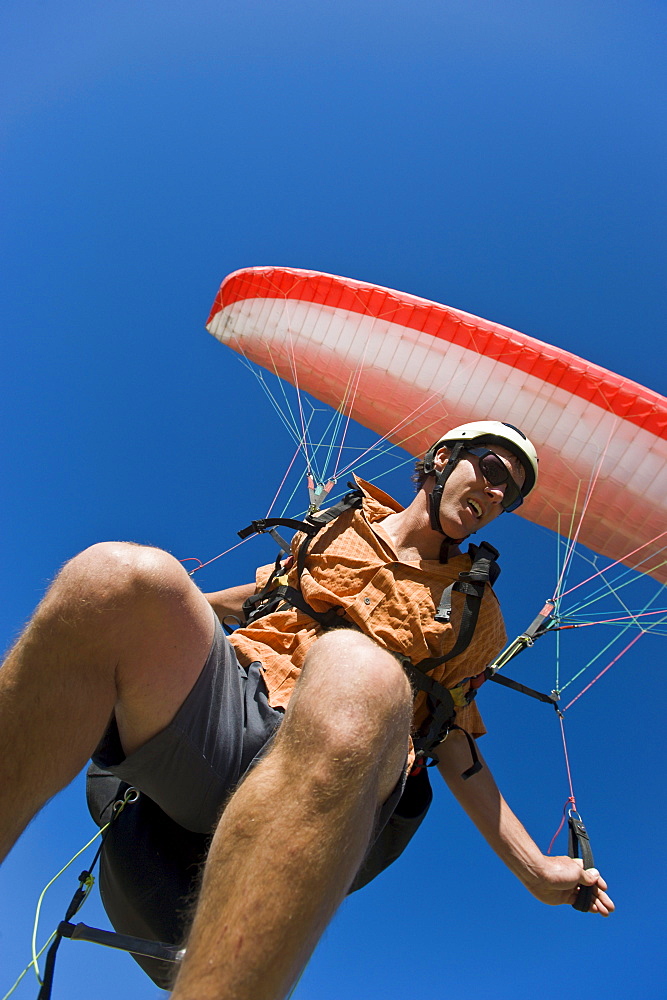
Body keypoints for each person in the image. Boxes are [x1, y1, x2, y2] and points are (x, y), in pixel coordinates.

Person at [0, 420, 613, 1000]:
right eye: (489, 467)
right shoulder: (335, 524)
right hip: (230, 722)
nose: (498, 490)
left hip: (339, 770)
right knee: (118, 574)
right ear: (440, 461)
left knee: (358, 668)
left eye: (511, 491)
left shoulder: (479, 615)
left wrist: (536, 869)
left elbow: (453, 738)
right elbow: (261, 601)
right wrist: (160, 610)